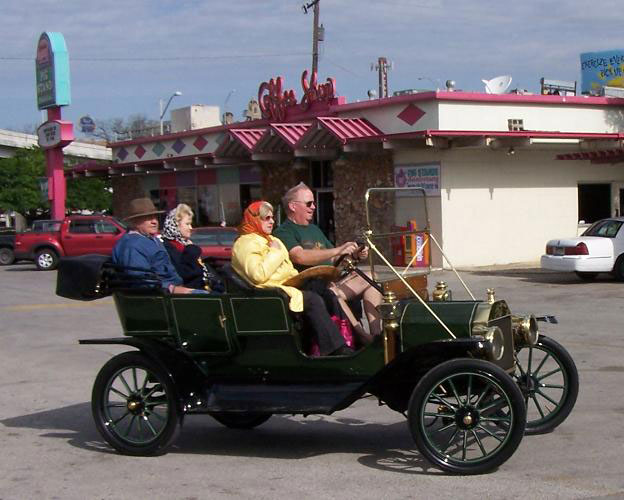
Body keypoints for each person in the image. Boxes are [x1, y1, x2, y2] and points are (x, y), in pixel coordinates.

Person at [231, 200, 351, 356]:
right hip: (270, 292)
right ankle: (335, 349)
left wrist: (303, 277)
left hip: (287, 286)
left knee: (325, 291)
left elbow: (287, 269)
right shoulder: (245, 243)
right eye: (266, 218)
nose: (272, 222)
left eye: (272, 218)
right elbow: (258, 275)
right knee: (312, 300)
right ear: (254, 220)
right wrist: (274, 252)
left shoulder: (272, 240)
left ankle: (344, 339)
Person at [273, 182, 383, 338]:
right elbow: (299, 256)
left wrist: (353, 254)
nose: (313, 207)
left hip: (330, 280)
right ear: (293, 206)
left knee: (371, 278)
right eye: (309, 203)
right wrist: (338, 250)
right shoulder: (284, 231)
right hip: (310, 287)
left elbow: (334, 258)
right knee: (333, 293)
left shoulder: (314, 229)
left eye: (313, 203)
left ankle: (377, 335)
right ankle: (363, 337)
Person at [112, 197, 195, 294]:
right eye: (148, 218)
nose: (154, 221)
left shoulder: (151, 239)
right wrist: (172, 289)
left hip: (172, 290)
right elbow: (141, 280)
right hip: (159, 295)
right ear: (135, 221)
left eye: (155, 217)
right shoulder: (132, 245)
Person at [161, 204, 224, 293]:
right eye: (187, 224)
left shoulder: (184, 244)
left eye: (190, 224)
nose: (191, 228)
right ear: (175, 225)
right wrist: (191, 250)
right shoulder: (169, 247)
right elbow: (188, 274)